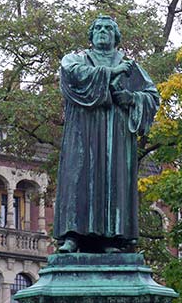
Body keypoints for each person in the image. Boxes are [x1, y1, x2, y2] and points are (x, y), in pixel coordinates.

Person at [54, 15, 159, 253]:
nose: (103, 31)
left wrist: (131, 98)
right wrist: (112, 72)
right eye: (98, 28)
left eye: (108, 28)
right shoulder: (76, 59)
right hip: (82, 134)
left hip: (117, 136)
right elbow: (71, 75)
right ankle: (73, 236)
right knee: (79, 179)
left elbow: (152, 97)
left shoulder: (131, 67)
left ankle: (112, 239)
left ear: (116, 37)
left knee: (114, 181)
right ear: (90, 36)